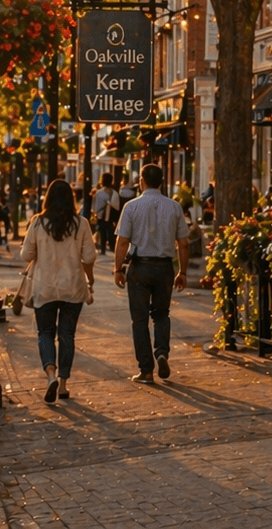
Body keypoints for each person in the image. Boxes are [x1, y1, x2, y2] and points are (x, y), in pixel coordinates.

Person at [112, 164, 191, 384]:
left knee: (139, 320)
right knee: (161, 314)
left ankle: (146, 370)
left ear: (142, 181)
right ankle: (162, 352)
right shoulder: (174, 207)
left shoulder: (131, 207)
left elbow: (122, 241)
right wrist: (182, 272)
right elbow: (183, 243)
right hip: (164, 267)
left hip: (139, 268)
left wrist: (117, 269)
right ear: (162, 181)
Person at [20, 179, 96, 403]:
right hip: (73, 288)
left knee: (45, 333)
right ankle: (63, 384)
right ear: (72, 199)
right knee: (67, 335)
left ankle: (50, 374)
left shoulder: (37, 223)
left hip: (45, 288)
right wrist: (90, 280)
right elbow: (89, 258)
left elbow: (25, 256)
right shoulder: (81, 224)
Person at [91, 174, 116, 255]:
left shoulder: (98, 193)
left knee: (102, 232)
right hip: (110, 217)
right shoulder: (114, 192)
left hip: (100, 216)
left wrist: (95, 213)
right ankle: (113, 248)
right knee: (110, 232)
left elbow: (94, 207)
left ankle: (103, 249)